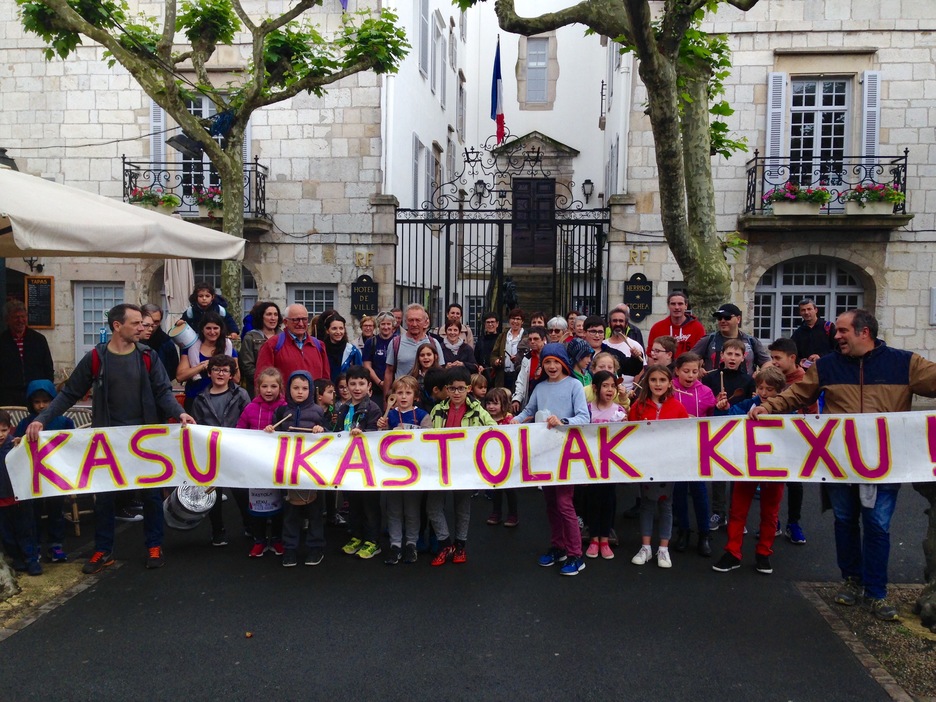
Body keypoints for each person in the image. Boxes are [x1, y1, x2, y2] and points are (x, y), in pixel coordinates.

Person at [750, 309, 936, 621]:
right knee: (845, 520)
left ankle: (876, 593)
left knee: (878, 526)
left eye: (842, 331)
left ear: (865, 333)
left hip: (883, 466)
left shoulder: (905, 363)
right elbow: (798, 394)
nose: (836, 336)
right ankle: (851, 580)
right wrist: (768, 408)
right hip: (839, 462)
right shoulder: (827, 365)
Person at [26, 303, 196, 573]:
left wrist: (180, 413)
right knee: (105, 497)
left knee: (151, 495)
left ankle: (154, 545)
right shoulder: (96, 358)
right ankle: (103, 550)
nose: (143, 328)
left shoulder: (148, 356)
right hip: (107, 441)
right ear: (117, 326)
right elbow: (69, 394)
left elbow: (163, 392)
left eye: (143, 323)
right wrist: (41, 419)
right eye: (136, 323)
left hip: (144, 439)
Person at [512, 343, 591, 576]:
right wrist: (515, 420)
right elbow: (528, 411)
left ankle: (576, 554)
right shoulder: (540, 387)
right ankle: (559, 547)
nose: (552, 366)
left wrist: (563, 422)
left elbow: (584, 417)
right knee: (550, 503)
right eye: (547, 362)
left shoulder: (574, 385)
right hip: (544, 454)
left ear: (564, 363)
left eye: (556, 361)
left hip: (566, 453)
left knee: (565, 503)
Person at [713, 366, 788, 575]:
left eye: (770, 390)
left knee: (770, 513)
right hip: (747, 466)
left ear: (779, 391)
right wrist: (722, 408)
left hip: (774, 468)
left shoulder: (787, 410)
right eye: (761, 388)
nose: (764, 393)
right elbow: (727, 418)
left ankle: (764, 553)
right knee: (738, 510)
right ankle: (733, 552)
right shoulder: (748, 404)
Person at [427, 366, 497, 566]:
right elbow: (426, 435)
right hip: (441, 467)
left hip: (465, 467)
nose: (456, 392)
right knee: (433, 506)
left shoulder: (478, 411)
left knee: (462, 507)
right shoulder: (437, 410)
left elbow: (494, 431)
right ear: (446, 390)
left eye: (460, 388)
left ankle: (460, 546)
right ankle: (445, 543)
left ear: (468, 388)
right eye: (452, 388)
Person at [628, 364, 689, 568]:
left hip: (668, 464)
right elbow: (630, 434)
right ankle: (646, 547)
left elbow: (684, 435)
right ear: (647, 382)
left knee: (666, 505)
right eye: (653, 380)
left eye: (662, 380)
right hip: (646, 464)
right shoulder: (638, 406)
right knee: (646, 504)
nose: (658, 384)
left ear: (670, 383)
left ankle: (663, 549)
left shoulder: (678, 407)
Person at [266, 370, 328, 567]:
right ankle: (290, 548)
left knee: (315, 511)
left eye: (304, 388)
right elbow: (274, 435)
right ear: (288, 389)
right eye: (295, 388)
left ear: (310, 390)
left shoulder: (318, 412)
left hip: (313, 469)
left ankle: (316, 547)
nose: (300, 392)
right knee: (290, 511)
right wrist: (270, 431)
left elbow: (330, 436)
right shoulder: (282, 411)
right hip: (289, 469)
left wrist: (321, 430)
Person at [190, 354, 250, 548]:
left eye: (225, 370)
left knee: (241, 492)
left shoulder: (241, 394)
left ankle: (250, 526)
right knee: (212, 494)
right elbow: (196, 426)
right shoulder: (200, 399)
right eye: (216, 369)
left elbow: (248, 419)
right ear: (209, 373)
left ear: (231, 375)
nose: (220, 373)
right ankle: (218, 531)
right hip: (211, 454)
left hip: (235, 452)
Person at [14, 380, 74, 564]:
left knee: (57, 510)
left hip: (57, 476)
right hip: (34, 478)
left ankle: (56, 545)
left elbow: (75, 444)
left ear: (53, 401)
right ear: (30, 403)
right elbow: (16, 445)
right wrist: (17, 442)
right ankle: (36, 545)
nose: (41, 405)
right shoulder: (25, 423)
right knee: (34, 512)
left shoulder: (65, 422)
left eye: (46, 401)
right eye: (37, 401)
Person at [702, 338, 756, 532]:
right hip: (716, 430)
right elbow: (706, 404)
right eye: (729, 354)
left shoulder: (748, 381)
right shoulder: (710, 379)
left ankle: (736, 514)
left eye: (737, 355)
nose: (733, 358)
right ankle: (718, 512)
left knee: (738, 474)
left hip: (739, 431)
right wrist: (715, 402)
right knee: (718, 472)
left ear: (743, 358)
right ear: (722, 356)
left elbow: (751, 405)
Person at [768, 336, 817, 545]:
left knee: (795, 483)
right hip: (773, 439)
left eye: (777, 358)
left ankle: (793, 523)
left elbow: (812, 412)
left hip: (795, 440)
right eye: (772, 358)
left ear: (792, 358)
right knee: (772, 482)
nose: (774, 362)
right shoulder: (772, 377)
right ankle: (773, 521)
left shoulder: (805, 381)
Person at [377, 375, 430, 565]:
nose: (404, 396)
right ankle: (395, 545)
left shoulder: (422, 416)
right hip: (393, 470)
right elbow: (379, 443)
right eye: (399, 393)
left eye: (408, 393)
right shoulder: (389, 415)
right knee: (393, 509)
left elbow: (428, 440)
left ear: (415, 396)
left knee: (412, 510)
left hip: (414, 472)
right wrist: (382, 429)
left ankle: (411, 544)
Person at [237, 366, 288, 556]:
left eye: (273, 386)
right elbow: (239, 431)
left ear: (280, 388)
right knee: (257, 503)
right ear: (258, 388)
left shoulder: (285, 409)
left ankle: (276, 539)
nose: (269, 390)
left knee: (278, 503)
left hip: (277, 464)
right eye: (265, 386)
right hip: (255, 464)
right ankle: (259, 540)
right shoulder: (250, 408)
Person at [337, 366, 383, 560]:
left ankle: (373, 541)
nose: (357, 388)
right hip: (348, 464)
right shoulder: (343, 408)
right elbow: (336, 432)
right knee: (353, 502)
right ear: (347, 385)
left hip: (367, 465)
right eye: (353, 384)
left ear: (369, 386)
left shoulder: (373, 408)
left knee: (369, 505)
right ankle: (356, 536)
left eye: (361, 384)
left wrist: (363, 434)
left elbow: (375, 435)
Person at [671, 352, 715, 557]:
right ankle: (683, 531)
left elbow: (714, 420)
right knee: (679, 491)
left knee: (699, 491)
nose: (690, 375)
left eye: (694, 372)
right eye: (686, 371)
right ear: (677, 371)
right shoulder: (669, 390)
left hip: (699, 447)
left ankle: (704, 534)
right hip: (676, 447)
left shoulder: (706, 392)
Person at [584, 370, 627, 561]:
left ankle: (604, 539)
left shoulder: (619, 411)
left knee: (608, 500)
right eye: (605, 386)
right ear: (595, 388)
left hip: (611, 465)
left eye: (613, 386)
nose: (610, 390)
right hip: (592, 464)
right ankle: (593, 538)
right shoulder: (587, 409)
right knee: (593, 500)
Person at [0, 409, 41, 576]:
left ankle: (31, 559)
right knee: (6, 534)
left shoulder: (16, 444)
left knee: (26, 530)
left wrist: (22, 445)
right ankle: (16, 558)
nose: (0, 434)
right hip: (1, 501)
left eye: (3, 430)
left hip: (20, 498)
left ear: (10, 428)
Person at [176, 313, 238, 413]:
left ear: (221, 329)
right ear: (202, 329)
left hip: (222, 400)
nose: (212, 332)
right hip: (195, 398)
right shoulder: (190, 347)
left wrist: (215, 366)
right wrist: (202, 366)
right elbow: (180, 376)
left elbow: (236, 378)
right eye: (208, 328)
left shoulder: (228, 348)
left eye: (215, 328)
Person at [255, 303, 331, 385]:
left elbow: (326, 381)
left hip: (314, 394)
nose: (301, 324)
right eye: (296, 320)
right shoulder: (272, 345)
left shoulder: (319, 345)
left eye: (304, 319)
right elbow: (261, 380)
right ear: (285, 322)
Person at [0, 301, 54, 407]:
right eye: (16, 317)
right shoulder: (2, 341)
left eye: (23, 317)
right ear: (7, 320)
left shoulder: (39, 340)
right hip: (7, 397)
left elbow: (48, 368)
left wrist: (45, 390)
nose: (20, 320)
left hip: (35, 396)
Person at [691, 303, 769, 375]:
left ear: (738, 319)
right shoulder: (709, 340)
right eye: (719, 318)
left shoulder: (751, 341)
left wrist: (761, 373)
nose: (722, 321)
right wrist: (698, 369)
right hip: (714, 384)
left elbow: (767, 363)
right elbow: (688, 359)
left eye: (727, 317)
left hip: (744, 385)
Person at [383, 304, 444, 396]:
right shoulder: (396, 343)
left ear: (425, 322)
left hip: (429, 398)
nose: (414, 324)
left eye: (418, 320)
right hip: (402, 396)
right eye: (411, 320)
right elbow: (389, 372)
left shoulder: (434, 343)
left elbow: (440, 371)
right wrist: (386, 399)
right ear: (405, 321)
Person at [483, 386, 517, 528]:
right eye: (488, 403)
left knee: (510, 488)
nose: (491, 406)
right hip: (492, 459)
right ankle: (496, 512)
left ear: (503, 404)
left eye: (495, 403)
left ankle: (513, 514)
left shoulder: (509, 420)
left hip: (508, 459)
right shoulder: (484, 419)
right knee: (495, 487)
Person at [238, 301, 282, 397]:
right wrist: (264, 381)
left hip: (281, 386)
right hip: (258, 387)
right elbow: (247, 365)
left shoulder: (283, 337)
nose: (273, 318)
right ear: (261, 317)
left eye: (275, 314)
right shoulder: (250, 337)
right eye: (269, 314)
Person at [647, 291, 706, 359]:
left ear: (686, 306)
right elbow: (651, 355)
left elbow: (702, 355)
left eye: (680, 304)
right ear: (668, 306)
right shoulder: (657, 328)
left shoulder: (697, 328)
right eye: (673, 304)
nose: (677, 307)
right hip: (664, 366)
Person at [594, 312, 644, 390]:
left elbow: (633, 370)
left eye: (621, 321)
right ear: (609, 324)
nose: (618, 324)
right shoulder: (602, 345)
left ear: (626, 324)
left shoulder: (632, 346)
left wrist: (635, 358)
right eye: (614, 321)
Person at [791, 297, 836, 367]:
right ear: (800, 313)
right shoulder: (798, 333)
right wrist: (800, 361)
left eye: (809, 309)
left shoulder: (828, 327)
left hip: (827, 368)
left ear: (816, 310)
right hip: (807, 370)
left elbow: (838, 349)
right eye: (803, 310)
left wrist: (821, 356)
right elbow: (791, 353)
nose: (806, 312)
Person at [362, 311, 395, 407]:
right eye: (383, 324)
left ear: (393, 326)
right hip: (376, 389)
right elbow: (367, 365)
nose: (386, 327)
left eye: (388, 324)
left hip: (394, 387)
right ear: (378, 326)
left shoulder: (398, 341)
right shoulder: (371, 342)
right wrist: (379, 382)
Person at [140, 303, 180, 383]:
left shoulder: (166, 342)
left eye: (156, 322)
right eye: (147, 323)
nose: (152, 326)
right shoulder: (131, 340)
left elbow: (173, 370)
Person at [511, 325, 546, 413]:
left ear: (543, 339)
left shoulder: (551, 355)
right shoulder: (527, 358)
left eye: (536, 339)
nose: (532, 342)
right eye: (530, 339)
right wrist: (517, 399)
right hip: (531, 399)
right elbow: (521, 381)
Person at [321, 312, 362, 384]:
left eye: (341, 328)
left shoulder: (352, 351)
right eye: (334, 328)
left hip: (346, 389)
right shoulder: (321, 349)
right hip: (326, 388)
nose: (338, 332)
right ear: (327, 330)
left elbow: (359, 374)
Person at [492, 309, 525, 392]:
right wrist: (496, 361)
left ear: (522, 321)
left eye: (518, 319)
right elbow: (494, 354)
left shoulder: (526, 337)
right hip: (503, 375)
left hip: (518, 374)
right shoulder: (503, 335)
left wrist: (517, 359)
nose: (515, 321)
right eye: (513, 318)